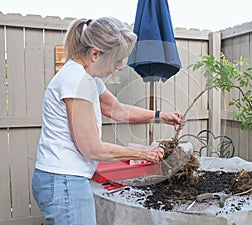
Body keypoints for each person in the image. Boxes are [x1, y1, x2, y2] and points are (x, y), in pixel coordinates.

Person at [32, 17, 185, 225]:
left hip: (64, 179)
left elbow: (117, 110)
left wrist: (159, 116)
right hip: (64, 181)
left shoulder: (87, 78)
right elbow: (92, 149)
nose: (120, 67)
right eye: (117, 60)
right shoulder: (76, 81)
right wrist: (143, 153)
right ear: (95, 54)